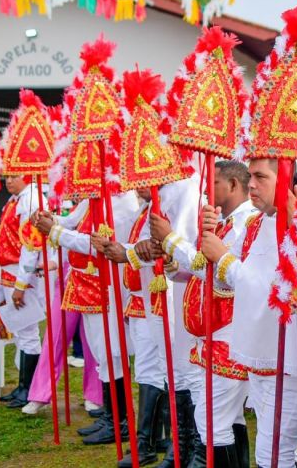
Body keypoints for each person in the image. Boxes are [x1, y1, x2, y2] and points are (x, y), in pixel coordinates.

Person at [200, 159, 297, 468]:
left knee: (273, 456)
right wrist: (209, 242)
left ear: (286, 181)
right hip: (260, 353)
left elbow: (276, 293)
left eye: (260, 177)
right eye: (250, 176)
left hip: (291, 362)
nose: (251, 183)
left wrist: (224, 258)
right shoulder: (255, 223)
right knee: (277, 453)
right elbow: (223, 282)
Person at [150, 160, 255, 466]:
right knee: (225, 418)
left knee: (211, 421)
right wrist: (178, 270)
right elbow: (204, 269)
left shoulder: (244, 224)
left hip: (229, 332)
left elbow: (224, 275)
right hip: (215, 332)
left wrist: (171, 238)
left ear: (234, 185)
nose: (208, 193)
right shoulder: (226, 223)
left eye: (215, 184)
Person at [26, 190, 139, 420]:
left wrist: (55, 231)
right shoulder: (94, 198)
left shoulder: (122, 201)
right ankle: (111, 417)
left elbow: (99, 244)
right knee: (100, 350)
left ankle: (117, 419)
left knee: (110, 351)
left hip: (105, 286)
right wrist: (51, 220)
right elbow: (72, 221)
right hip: (84, 283)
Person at [92, 189, 169, 464]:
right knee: (147, 369)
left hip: (160, 296)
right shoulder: (143, 209)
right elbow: (140, 248)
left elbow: (159, 250)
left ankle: (159, 441)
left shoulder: (164, 205)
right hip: (141, 297)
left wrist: (124, 252)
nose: (138, 185)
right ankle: (147, 440)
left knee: (159, 368)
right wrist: (119, 249)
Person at [0, 174, 46, 407]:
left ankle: (29, 388)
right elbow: (9, 237)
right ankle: (23, 387)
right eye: (7, 176)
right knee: (23, 332)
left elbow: (30, 246)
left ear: (26, 175)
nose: (8, 181)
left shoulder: (30, 200)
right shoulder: (16, 199)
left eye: (14, 176)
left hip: (19, 273)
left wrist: (21, 284)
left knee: (28, 332)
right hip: (8, 271)